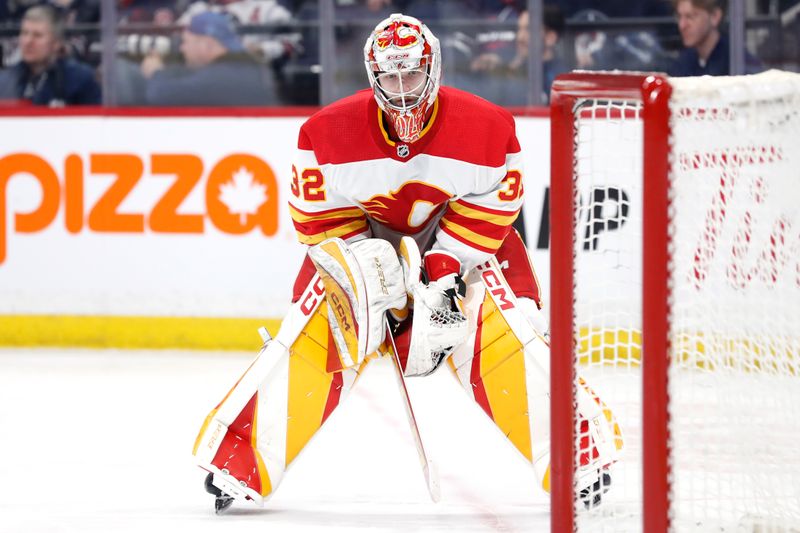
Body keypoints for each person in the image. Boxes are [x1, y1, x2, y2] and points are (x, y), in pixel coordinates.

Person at [192, 13, 621, 513]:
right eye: (390, 77)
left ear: (433, 70)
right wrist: (370, 270)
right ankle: (238, 459)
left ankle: (579, 455)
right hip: (365, 246)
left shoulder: (487, 127)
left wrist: (443, 267)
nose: (401, 89)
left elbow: (494, 210)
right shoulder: (324, 134)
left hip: (463, 248)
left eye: (411, 74)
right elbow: (317, 222)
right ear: (373, 78)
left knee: (503, 326)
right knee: (319, 324)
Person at [141, 11, 278, 105]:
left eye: (186, 42)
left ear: (206, 44)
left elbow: (161, 96)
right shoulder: (244, 66)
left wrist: (155, 72)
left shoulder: (224, 75)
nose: (183, 49)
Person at [469, 5, 568, 104]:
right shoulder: (510, 66)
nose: (520, 37)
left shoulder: (559, 80)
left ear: (550, 38)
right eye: (519, 29)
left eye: (529, 29)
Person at [9, 4, 100, 106]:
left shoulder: (80, 80)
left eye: (37, 35)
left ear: (56, 43)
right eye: (24, 33)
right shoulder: (6, 79)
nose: (28, 41)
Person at [668, 0, 762, 76]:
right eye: (679, 16)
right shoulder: (684, 61)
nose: (682, 25)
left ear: (715, 17)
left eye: (691, 17)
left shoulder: (736, 62)